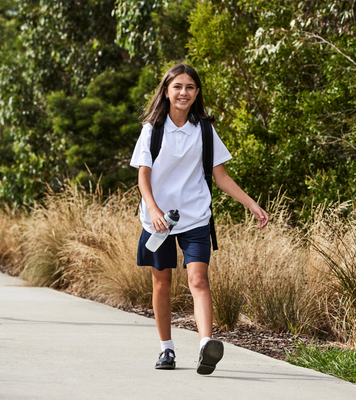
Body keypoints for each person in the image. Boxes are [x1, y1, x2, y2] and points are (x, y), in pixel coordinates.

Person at [130, 64, 268, 375]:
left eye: (190, 87)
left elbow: (220, 176)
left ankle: (207, 344)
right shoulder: (152, 129)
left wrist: (251, 204)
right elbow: (143, 176)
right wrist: (153, 209)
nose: (184, 92)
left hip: (195, 217)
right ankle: (166, 348)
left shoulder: (204, 129)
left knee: (199, 280)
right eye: (178, 86)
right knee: (162, 284)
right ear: (167, 91)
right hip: (159, 221)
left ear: (197, 93)